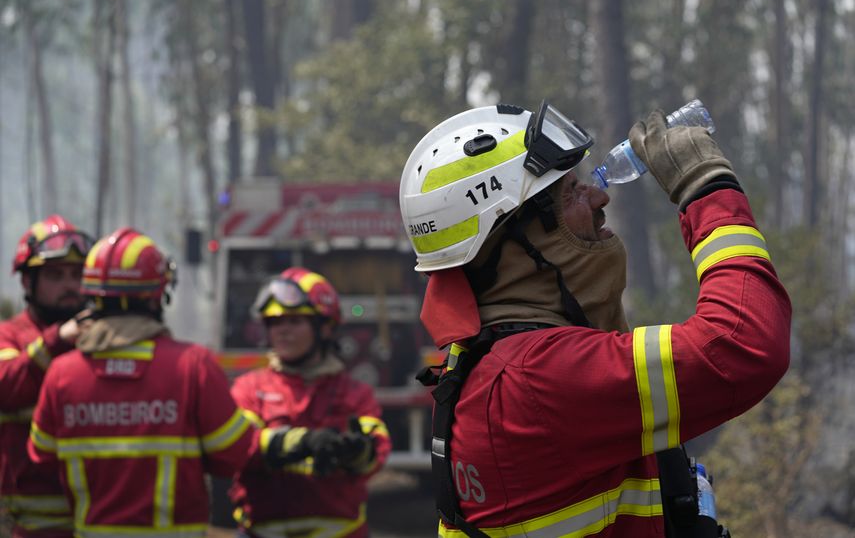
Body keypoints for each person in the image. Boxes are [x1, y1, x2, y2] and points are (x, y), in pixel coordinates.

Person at [398, 102, 791, 536]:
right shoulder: (538, 377)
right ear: (510, 245)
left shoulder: (485, 360)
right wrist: (707, 188)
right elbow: (742, 345)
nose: (600, 198)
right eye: (570, 194)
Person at [27, 227, 255, 537]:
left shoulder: (61, 374)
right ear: (158, 295)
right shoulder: (192, 366)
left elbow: (42, 457)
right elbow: (235, 455)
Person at [229, 267, 391, 538]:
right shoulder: (250, 389)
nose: (282, 331)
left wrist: (358, 451)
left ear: (325, 327)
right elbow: (238, 447)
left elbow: (378, 450)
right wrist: (301, 442)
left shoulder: (354, 393)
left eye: (294, 321)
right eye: (274, 323)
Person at [0, 215, 94, 537]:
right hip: (28, 522)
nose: (70, 285)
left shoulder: (99, 338)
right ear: (27, 282)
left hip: (98, 517)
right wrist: (56, 342)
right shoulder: (9, 336)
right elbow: (5, 385)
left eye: (77, 274)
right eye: (55, 275)